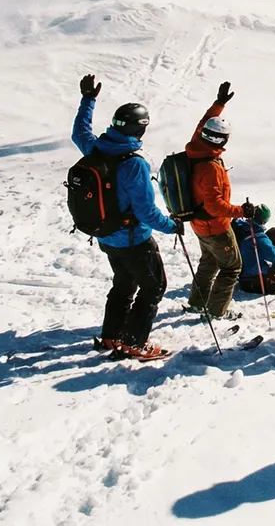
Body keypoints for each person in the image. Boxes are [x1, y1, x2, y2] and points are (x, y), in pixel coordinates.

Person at [72, 73, 181, 361]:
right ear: (140, 130)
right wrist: (172, 226)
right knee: (153, 285)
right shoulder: (133, 164)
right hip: (134, 239)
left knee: (124, 282)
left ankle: (112, 335)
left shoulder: (97, 149)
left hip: (106, 235)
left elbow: (80, 133)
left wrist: (88, 101)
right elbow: (146, 211)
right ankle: (134, 343)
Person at [182, 81, 254, 321]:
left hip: (198, 223)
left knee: (209, 261)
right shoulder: (210, 167)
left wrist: (219, 104)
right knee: (231, 266)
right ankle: (216, 311)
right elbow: (215, 205)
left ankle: (196, 303)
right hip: (215, 226)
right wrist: (241, 211)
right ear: (223, 141)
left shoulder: (196, 147)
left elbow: (203, 123)